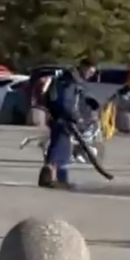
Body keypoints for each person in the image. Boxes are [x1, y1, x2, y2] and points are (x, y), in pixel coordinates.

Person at [38, 58, 97, 188]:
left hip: (58, 117)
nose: (90, 75)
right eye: (90, 72)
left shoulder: (67, 78)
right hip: (64, 119)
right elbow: (67, 103)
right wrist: (77, 118)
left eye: (93, 73)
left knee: (61, 149)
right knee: (60, 150)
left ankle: (61, 178)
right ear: (83, 67)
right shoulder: (71, 82)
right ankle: (50, 177)